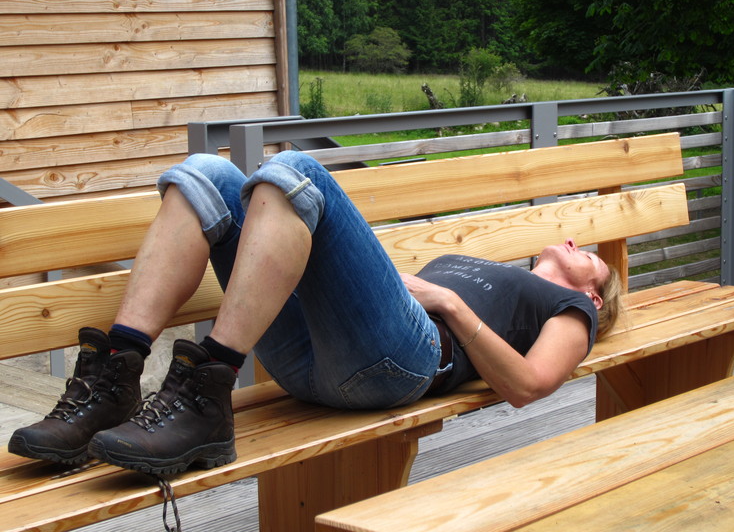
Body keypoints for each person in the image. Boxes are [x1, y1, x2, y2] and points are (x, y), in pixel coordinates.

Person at [8, 151, 622, 475]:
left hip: (398, 365)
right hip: (314, 357)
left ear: (594, 297)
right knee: (207, 173)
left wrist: (449, 303)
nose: (576, 243)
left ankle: (205, 391)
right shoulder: (499, 272)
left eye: (590, 256)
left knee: (298, 171)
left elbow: (530, 385)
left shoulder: (571, 309)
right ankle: (114, 379)